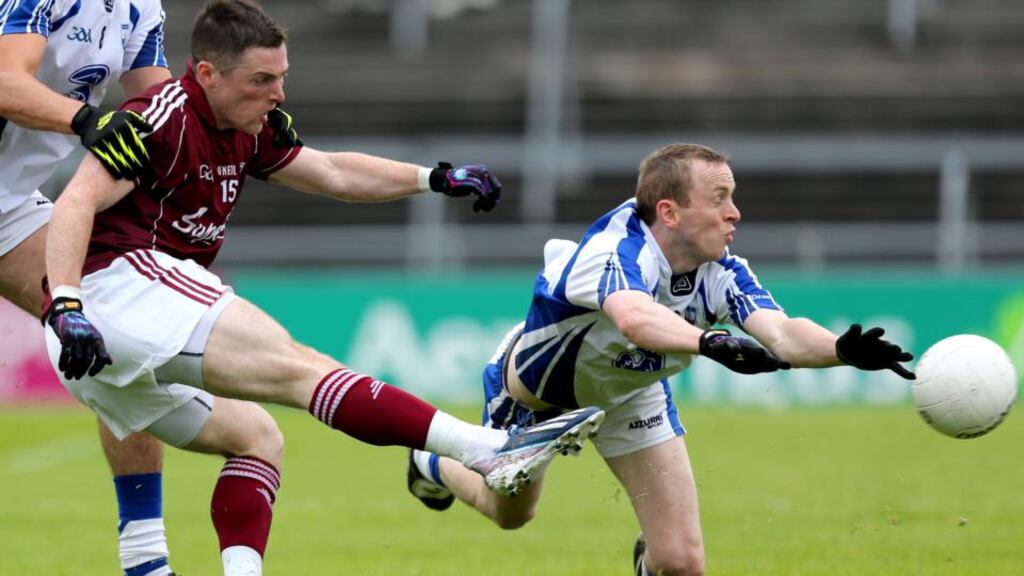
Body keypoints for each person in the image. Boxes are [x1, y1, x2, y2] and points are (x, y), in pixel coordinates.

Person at [41, 1, 605, 575]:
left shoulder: (244, 126)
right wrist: (66, 303)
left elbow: (333, 173)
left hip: (112, 344)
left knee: (259, 438)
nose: (278, 95)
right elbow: (76, 201)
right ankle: (486, 451)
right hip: (120, 291)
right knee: (300, 367)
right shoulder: (163, 117)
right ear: (207, 73)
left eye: (281, 79)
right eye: (261, 80)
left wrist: (431, 178)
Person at [406, 143, 917, 576]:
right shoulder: (614, 249)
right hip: (537, 397)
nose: (734, 213)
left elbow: (781, 333)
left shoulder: (721, 270)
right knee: (511, 514)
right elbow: (633, 317)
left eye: (732, 199)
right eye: (719, 199)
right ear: (670, 212)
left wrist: (841, 350)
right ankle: (429, 461)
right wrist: (708, 342)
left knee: (682, 563)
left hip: (629, 394)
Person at [0, 2, 186, 574]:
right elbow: (6, 82)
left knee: (116, 334)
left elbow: (162, 108)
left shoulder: (139, 10)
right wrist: (86, 120)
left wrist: (239, 115)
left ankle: (144, 558)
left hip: (8, 209)